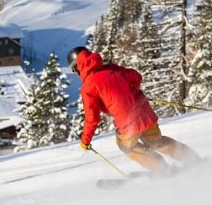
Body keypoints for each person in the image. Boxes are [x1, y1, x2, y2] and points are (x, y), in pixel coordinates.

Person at [69, 46, 198, 172]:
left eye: (75, 70)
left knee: (126, 146)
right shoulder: (112, 68)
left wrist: (85, 140)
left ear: (77, 67)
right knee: (156, 141)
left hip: (127, 121)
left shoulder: (88, 88)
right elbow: (136, 76)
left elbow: (92, 118)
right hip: (144, 112)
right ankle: (192, 159)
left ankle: (161, 169)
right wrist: (132, 93)